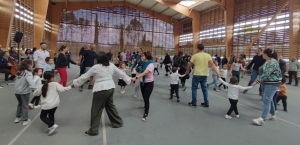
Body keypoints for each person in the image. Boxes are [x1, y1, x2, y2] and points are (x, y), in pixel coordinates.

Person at [72, 52, 131, 136]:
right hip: (111, 88)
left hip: (101, 89)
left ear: (98, 59)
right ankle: (117, 122)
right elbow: (121, 73)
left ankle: (93, 130)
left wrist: (75, 83)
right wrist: (129, 79)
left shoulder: (96, 67)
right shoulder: (111, 65)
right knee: (110, 105)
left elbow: (85, 76)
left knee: (96, 109)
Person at [33, 71, 74, 135]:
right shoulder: (56, 84)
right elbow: (63, 89)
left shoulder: (42, 86)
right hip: (55, 104)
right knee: (51, 115)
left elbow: (35, 93)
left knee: (42, 116)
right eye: (53, 76)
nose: (55, 77)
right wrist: (71, 86)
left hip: (47, 105)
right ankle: (50, 128)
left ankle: (52, 125)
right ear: (51, 78)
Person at [252, 48, 282, 126]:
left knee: (266, 101)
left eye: (263, 53)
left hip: (272, 84)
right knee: (270, 99)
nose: (262, 54)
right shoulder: (268, 61)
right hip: (267, 82)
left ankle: (262, 119)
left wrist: (256, 81)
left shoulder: (272, 62)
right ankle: (272, 115)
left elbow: (266, 74)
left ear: (266, 54)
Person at [131, 51, 154, 122]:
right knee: (144, 97)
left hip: (149, 83)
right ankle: (145, 106)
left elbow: (145, 73)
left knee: (146, 98)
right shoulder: (143, 63)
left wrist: (136, 77)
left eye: (143, 56)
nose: (141, 57)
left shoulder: (150, 64)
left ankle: (146, 113)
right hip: (142, 83)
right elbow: (141, 70)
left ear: (146, 57)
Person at [14, 59, 36, 126]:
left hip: (17, 91)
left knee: (20, 103)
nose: (33, 65)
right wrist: (35, 90)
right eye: (32, 64)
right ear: (29, 65)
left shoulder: (19, 71)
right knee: (25, 105)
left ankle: (18, 117)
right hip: (24, 92)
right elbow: (31, 83)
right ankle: (25, 120)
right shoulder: (28, 74)